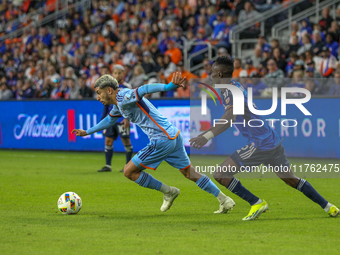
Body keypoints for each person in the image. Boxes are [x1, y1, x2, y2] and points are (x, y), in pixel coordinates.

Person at [189, 56, 339, 220]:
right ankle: (328, 207)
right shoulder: (234, 87)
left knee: (221, 174)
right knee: (291, 180)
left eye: (213, 72)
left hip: (259, 143)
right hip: (271, 140)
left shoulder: (232, 91)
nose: (210, 75)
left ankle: (256, 203)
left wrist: (206, 135)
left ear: (219, 74)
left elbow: (230, 116)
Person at [72, 72, 235, 213]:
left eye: (99, 93)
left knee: (129, 171)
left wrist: (168, 87)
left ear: (109, 90)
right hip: (174, 135)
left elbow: (143, 89)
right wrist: (87, 132)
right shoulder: (119, 105)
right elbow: (109, 120)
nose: (98, 97)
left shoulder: (122, 96)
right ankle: (224, 199)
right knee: (189, 173)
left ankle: (169, 192)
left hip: (162, 139)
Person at [97, 64, 134, 173]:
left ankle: (128, 166)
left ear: (123, 74)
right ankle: (108, 165)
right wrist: (102, 120)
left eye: (119, 73)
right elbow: (106, 104)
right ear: (112, 74)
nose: (117, 75)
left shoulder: (127, 86)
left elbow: (130, 104)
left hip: (122, 119)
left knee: (126, 141)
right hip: (110, 119)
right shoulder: (108, 87)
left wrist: (127, 119)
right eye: (115, 73)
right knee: (108, 141)